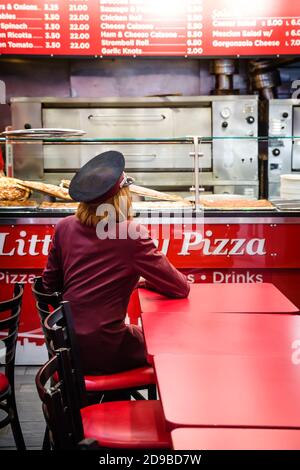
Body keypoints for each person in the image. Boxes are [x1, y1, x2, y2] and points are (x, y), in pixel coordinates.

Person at [42, 151, 189, 375]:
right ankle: (166, 405)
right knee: (166, 341)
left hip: (67, 344)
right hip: (106, 347)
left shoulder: (64, 226)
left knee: (140, 334)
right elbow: (180, 288)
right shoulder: (130, 234)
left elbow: (49, 285)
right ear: (121, 197)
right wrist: (147, 282)